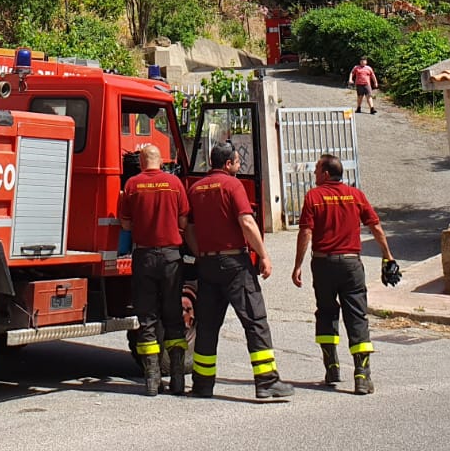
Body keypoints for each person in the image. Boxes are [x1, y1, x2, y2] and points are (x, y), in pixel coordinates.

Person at [185, 143, 293, 402]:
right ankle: (267, 381)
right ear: (228, 164)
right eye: (236, 161)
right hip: (235, 264)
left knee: (208, 326)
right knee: (255, 321)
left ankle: (202, 383)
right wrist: (264, 255)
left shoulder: (195, 188)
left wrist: (201, 252)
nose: (239, 165)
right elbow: (246, 222)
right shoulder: (233, 186)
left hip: (207, 265)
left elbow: (188, 228)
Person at [290, 153, 399, 395]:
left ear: (326, 173)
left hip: (323, 265)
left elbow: (306, 233)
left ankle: (332, 367)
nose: (315, 174)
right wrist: (388, 256)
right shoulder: (356, 195)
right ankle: (362, 375)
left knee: (326, 313)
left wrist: (297, 265)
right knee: (357, 316)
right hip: (351, 265)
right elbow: (376, 227)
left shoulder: (314, 196)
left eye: (317, 170)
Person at [118, 144, 191, 397]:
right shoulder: (175, 184)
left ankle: (151, 381)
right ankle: (179, 381)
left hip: (144, 256)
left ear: (140, 161)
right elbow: (183, 220)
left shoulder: (132, 185)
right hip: (171, 256)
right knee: (173, 315)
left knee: (147, 318)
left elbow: (125, 223)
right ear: (161, 161)